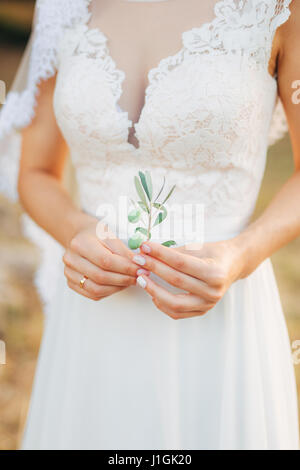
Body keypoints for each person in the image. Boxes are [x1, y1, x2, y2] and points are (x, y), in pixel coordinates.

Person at [0, 0, 299, 450]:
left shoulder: (279, 8)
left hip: (218, 311)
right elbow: (35, 172)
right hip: (94, 314)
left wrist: (241, 255)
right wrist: (75, 230)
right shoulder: (63, 7)